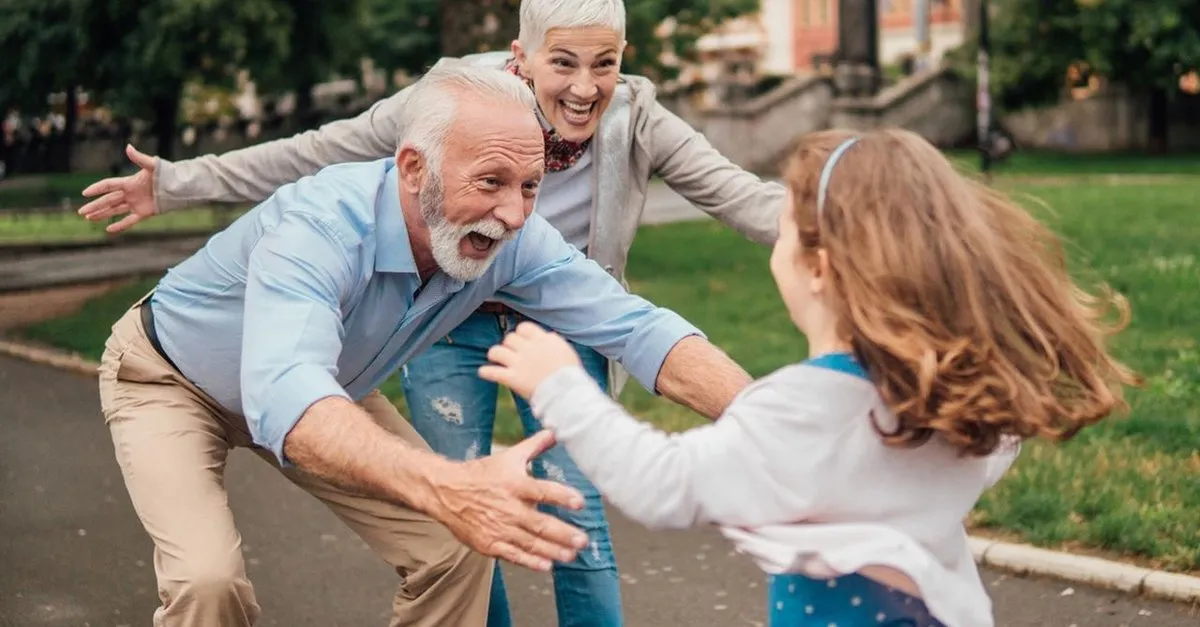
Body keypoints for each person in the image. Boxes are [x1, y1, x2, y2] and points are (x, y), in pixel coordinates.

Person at [76, 2, 783, 624]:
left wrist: (772, 421)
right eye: (491, 183)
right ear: (413, 169)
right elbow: (285, 392)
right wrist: (451, 485)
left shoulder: (515, 234)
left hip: (326, 389)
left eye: (532, 185)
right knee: (209, 582)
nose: (513, 214)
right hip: (173, 378)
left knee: (458, 548)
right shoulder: (321, 227)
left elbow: (637, 326)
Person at [476, 128, 1141, 627]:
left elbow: (662, 484)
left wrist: (562, 384)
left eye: (784, 229)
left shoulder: (804, 409)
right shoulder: (953, 398)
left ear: (818, 266)